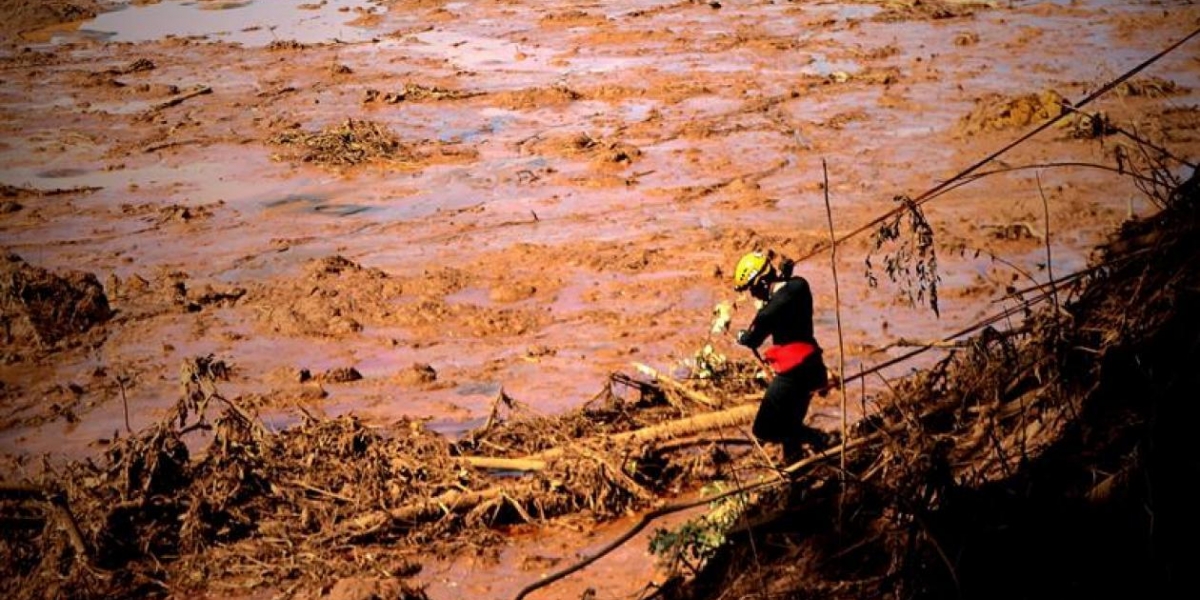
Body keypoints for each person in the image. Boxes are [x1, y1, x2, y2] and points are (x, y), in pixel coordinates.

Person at [731, 250, 830, 464]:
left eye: (753, 289)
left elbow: (752, 338)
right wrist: (784, 277)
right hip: (813, 365)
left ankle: (820, 439)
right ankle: (798, 471)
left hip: (794, 373)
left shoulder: (769, 311)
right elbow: (786, 290)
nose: (753, 295)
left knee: (764, 429)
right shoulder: (800, 286)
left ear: (761, 283)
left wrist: (741, 336)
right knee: (791, 422)